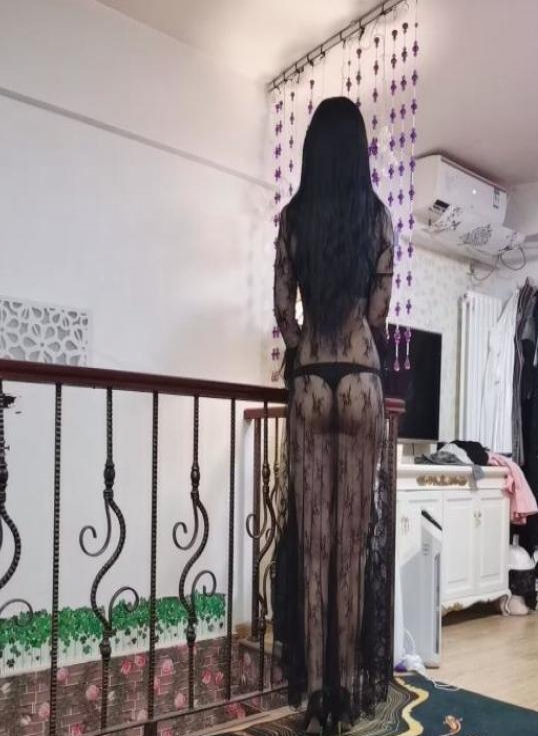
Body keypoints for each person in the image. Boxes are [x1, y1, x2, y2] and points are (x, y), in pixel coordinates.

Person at [272, 96, 394, 734]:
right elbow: (378, 311)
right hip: (361, 377)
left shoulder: (294, 217)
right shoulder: (376, 217)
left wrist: (301, 349)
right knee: (352, 549)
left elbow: (282, 308)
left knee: (314, 547)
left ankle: (317, 696)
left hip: (312, 380)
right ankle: (346, 692)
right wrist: (359, 343)